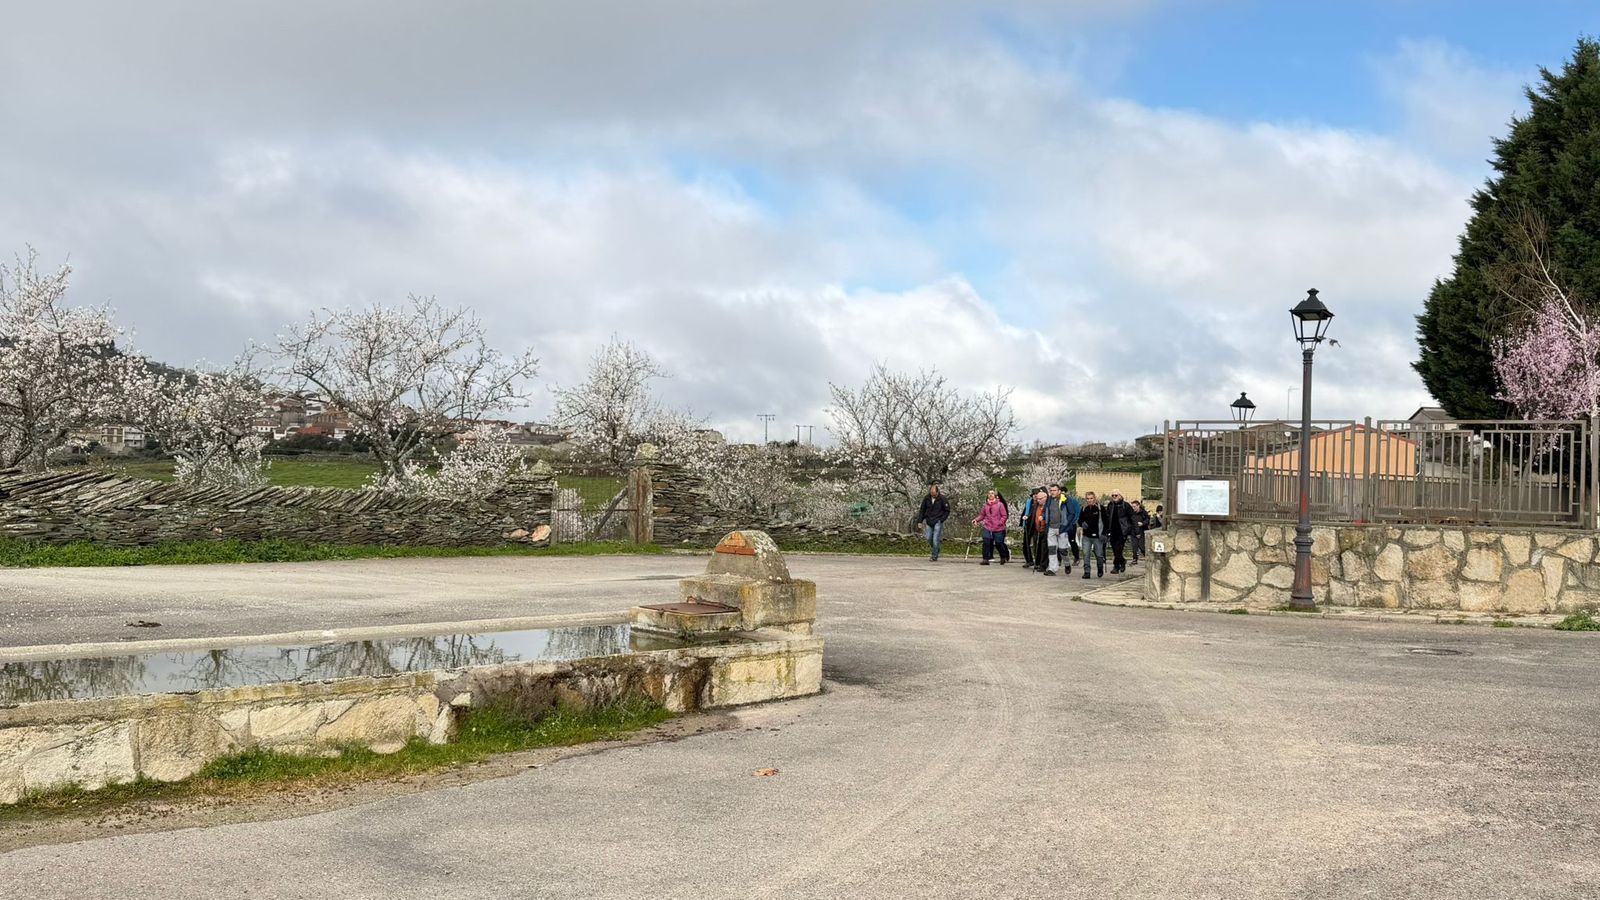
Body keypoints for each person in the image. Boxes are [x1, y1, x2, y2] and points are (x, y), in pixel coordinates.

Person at [972, 489, 1011, 565]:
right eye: (989, 493)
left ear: (995, 496)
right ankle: (985, 559)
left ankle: (1003, 556)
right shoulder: (985, 505)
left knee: (998, 543)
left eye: (992, 493)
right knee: (986, 541)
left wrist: (1000, 522)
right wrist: (976, 520)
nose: (990, 495)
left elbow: (1004, 515)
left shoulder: (1000, 505)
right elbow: (982, 515)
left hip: (998, 527)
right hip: (987, 526)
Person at [1079, 491, 1109, 579]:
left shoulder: (1101, 509)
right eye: (1088, 499)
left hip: (1098, 536)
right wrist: (1082, 523)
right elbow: (1079, 520)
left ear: (1094, 498)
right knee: (1086, 554)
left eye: (1091, 498)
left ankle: (1100, 568)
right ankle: (1087, 572)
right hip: (1086, 536)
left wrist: (1104, 533)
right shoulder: (1084, 508)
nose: (1089, 500)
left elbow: (1106, 522)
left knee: (1099, 555)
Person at [1106, 490, 1137, 574]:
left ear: (1120, 496)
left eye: (1116, 495)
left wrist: (1134, 530)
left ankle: (1116, 566)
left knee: (1118, 549)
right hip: (1112, 530)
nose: (1114, 497)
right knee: (1114, 549)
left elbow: (1132, 517)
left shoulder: (1125, 505)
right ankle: (1122, 561)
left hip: (1122, 531)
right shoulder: (1110, 505)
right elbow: (1107, 517)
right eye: (1113, 495)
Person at [1040, 483, 1069, 575]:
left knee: (1062, 550)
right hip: (1051, 528)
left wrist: (1067, 525)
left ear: (1059, 491)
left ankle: (1067, 564)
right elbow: (1045, 510)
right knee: (1052, 549)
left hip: (1062, 528)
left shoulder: (1065, 500)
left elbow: (1073, 512)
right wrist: (1043, 517)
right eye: (1051, 490)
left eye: (1054, 490)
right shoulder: (1049, 501)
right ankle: (1052, 569)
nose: (1052, 492)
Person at [918, 484, 950, 561]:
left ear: (937, 491)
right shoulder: (926, 498)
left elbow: (947, 510)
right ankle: (936, 549)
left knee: (936, 539)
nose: (932, 494)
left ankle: (934, 556)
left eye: (933, 492)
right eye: (931, 492)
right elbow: (922, 510)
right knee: (929, 538)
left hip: (938, 521)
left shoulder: (942, 499)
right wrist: (920, 521)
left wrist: (941, 519)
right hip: (929, 520)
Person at [1019, 488, 1042, 569]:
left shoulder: (1041, 504)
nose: (1035, 496)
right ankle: (1029, 560)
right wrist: (1023, 520)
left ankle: (1038, 562)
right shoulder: (1029, 502)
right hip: (1028, 525)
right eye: (1034, 494)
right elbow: (1025, 512)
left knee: (1037, 544)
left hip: (1037, 526)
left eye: (1037, 494)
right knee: (1026, 544)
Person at [1029, 488, 1050, 574]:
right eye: (1037, 499)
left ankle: (1043, 565)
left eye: (1040, 499)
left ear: (1045, 498)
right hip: (1036, 529)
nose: (1038, 500)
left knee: (1044, 549)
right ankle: (1037, 563)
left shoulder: (1048, 506)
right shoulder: (1035, 506)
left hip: (1045, 529)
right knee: (1037, 547)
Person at [1061, 489, 1083, 570]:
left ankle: (1076, 557)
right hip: (1061, 525)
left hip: (1070, 525)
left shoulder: (1072, 501)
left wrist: (1073, 521)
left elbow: (1077, 512)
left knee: (1072, 541)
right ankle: (1060, 559)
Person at [1130, 500, 1150, 564]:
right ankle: (1134, 559)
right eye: (1132, 507)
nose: (1133, 508)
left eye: (1134, 506)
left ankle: (1147, 558)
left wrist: (1143, 523)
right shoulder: (1131, 514)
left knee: (1142, 547)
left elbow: (1147, 520)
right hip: (1134, 532)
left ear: (1138, 506)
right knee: (1134, 547)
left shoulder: (1143, 513)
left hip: (1142, 531)